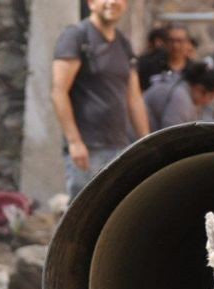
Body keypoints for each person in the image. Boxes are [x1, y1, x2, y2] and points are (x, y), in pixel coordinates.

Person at [51, 0, 150, 200]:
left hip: (118, 145)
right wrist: (74, 141)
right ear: (91, 2)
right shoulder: (76, 36)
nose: (112, 2)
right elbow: (58, 92)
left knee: (112, 209)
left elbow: (134, 99)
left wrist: (147, 140)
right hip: (87, 148)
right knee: (82, 216)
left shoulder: (123, 43)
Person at [143, 63, 214, 132]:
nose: (210, 101)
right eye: (212, 97)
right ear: (200, 89)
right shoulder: (181, 99)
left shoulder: (184, 89)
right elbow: (171, 134)